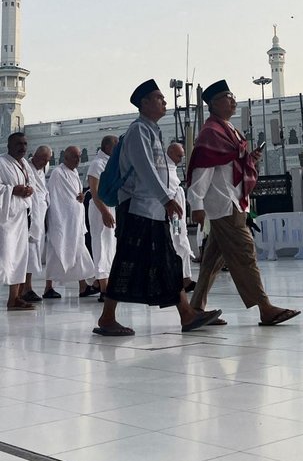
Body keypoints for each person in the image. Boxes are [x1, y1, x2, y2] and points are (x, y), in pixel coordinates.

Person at [95, 79, 222, 337]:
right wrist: (166, 198)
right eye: (158, 98)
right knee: (126, 262)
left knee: (168, 260)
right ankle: (107, 318)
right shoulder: (138, 131)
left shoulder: (152, 131)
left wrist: (163, 202)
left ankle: (186, 314)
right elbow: (145, 167)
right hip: (137, 209)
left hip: (152, 209)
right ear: (144, 103)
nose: (164, 102)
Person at [188, 79, 301, 326]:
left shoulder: (230, 130)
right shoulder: (211, 133)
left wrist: (250, 158)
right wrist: (196, 204)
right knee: (246, 253)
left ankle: (195, 309)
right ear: (214, 103)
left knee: (212, 261)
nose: (233, 100)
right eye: (228, 96)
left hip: (235, 202)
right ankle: (265, 308)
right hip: (223, 204)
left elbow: (232, 163)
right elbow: (202, 169)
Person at [45, 146, 96, 297]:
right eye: (75, 157)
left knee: (79, 252)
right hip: (62, 222)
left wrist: (80, 196)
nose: (78, 160)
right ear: (65, 158)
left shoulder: (73, 173)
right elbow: (55, 198)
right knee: (56, 253)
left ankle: (83, 286)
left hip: (75, 223)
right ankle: (48, 288)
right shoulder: (57, 173)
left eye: (79, 157)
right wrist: (60, 221)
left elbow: (74, 195)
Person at [0, 132, 36, 310]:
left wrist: (29, 190)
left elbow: (34, 184)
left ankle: (14, 298)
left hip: (21, 216)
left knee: (20, 256)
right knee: (5, 256)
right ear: (9, 145)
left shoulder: (25, 165)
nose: (22, 147)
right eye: (18, 144)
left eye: (25, 144)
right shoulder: (1, 162)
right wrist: (12, 190)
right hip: (5, 218)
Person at [87, 136, 119, 300]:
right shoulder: (97, 164)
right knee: (100, 244)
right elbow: (95, 191)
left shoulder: (111, 163)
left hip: (110, 207)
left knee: (110, 245)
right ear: (108, 146)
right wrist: (104, 212)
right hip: (100, 209)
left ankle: (102, 283)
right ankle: (104, 288)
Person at [20, 145, 52, 302]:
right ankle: (26, 288)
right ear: (36, 156)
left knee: (35, 253)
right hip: (30, 218)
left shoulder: (44, 168)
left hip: (41, 215)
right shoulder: (27, 167)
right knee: (29, 254)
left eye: (47, 160)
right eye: (42, 159)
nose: (44, 162)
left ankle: (27, 288)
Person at [166, 142, 196, 292]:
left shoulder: (171, 168)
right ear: (170, 152)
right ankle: (181, 278)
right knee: (177, 241)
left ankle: (186, 278)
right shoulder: (163, 168)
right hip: (173, 218)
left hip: (177, 218)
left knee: (180, 241)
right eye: (178, 155)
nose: (180, 159)